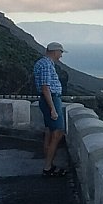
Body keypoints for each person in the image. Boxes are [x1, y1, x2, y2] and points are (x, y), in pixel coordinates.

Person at [34, 42, 67, 177]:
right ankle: (48, 167)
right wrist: (53, 108)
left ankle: (49, 165)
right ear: (55, 51)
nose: (61, 55)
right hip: (51, 99)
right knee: (58, 132)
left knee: (49, 131)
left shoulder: (42, 63)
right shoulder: (46, 64)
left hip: (49, 99)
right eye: (61, 52)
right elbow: (45, 88)